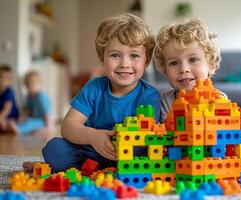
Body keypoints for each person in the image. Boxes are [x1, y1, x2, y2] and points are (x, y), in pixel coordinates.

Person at [23, 13, 160, 172]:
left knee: (145, 151)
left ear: (147, 60)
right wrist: (92, 136)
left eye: (134, 55)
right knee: (54, 148)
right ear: (102, 58)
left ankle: (90, 170)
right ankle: (94, 169)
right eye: (115, 55)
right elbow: (68, 126)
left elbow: (146, 137)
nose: (124, 64)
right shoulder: (94, 87)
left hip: (127, 154)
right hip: (91, 151)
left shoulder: (150, 95)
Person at [154, 19, 241, 164]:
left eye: (193, 60)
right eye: (174, 63)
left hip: (213, 151)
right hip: (183, 151)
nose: (183, 69)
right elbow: (164, 135)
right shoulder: (165, 100)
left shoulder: (219, 98)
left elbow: (233, 127)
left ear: (211, 66)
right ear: (164, 70)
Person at [7, 70, 51, 136]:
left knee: (30, 123)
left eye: (33, 85)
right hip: (32, 118)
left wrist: (47, 127)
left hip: (41, 121)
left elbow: (46, 113)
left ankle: (19, 130)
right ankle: (14, 127)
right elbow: (28, 109)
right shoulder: (30, 96)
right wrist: (23, 117)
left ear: (39, 84)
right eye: (28, 86)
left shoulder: (41, 97)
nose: (30, 88)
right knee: (25, 121)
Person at [0, 65, 19, 132]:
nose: (4, 80)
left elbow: (7, 108)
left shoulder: (8, 91)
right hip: (3, 116)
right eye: (1, 77)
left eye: (7, 78)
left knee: (4, 123)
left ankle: (10, 128)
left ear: (10, 79)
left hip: (11, 117)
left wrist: (1, 117)